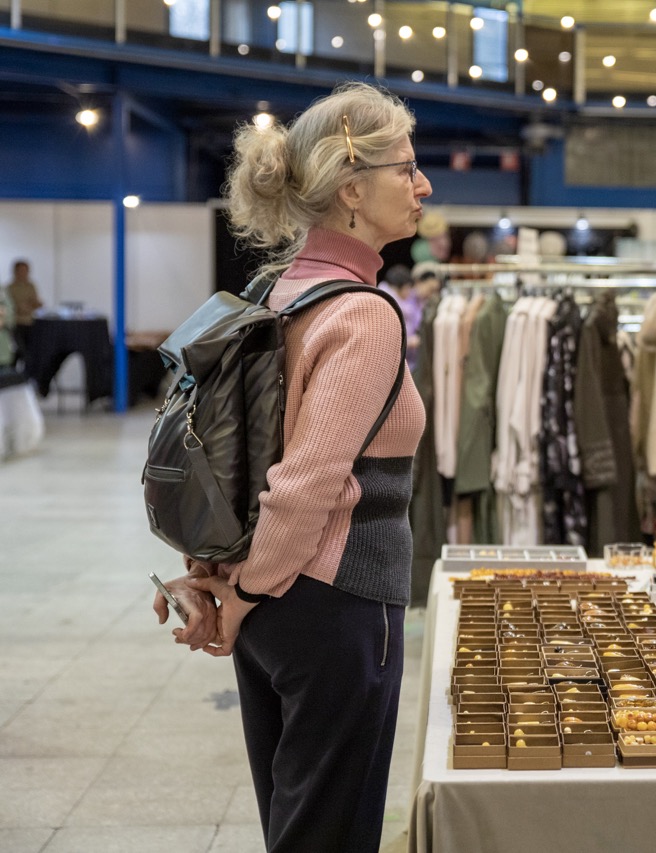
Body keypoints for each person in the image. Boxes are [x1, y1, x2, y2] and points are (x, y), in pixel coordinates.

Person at [151, 81, 430, 853]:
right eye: (406, 168)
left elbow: (224, 450)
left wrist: (224, 579)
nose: (423, 185)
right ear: (352, 188)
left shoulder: (274, 290)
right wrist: (239, 597)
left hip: (271, 603)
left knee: (295, 823)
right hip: (337, 604)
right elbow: (305, 483)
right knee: (331, 830)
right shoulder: (364, 313)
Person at [6, 260, 43, 363]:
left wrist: (34, 305)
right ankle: (12, 368)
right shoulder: (9, 288)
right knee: (21, 350)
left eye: (26, 271)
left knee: (30, 350)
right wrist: (20, 307)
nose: (24, 273)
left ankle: (24, 370)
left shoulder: (31, 286)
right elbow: (9, 306)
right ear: (16, 272)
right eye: (21, 271)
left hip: (30, 322)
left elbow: (35, 302)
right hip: (16, 323)